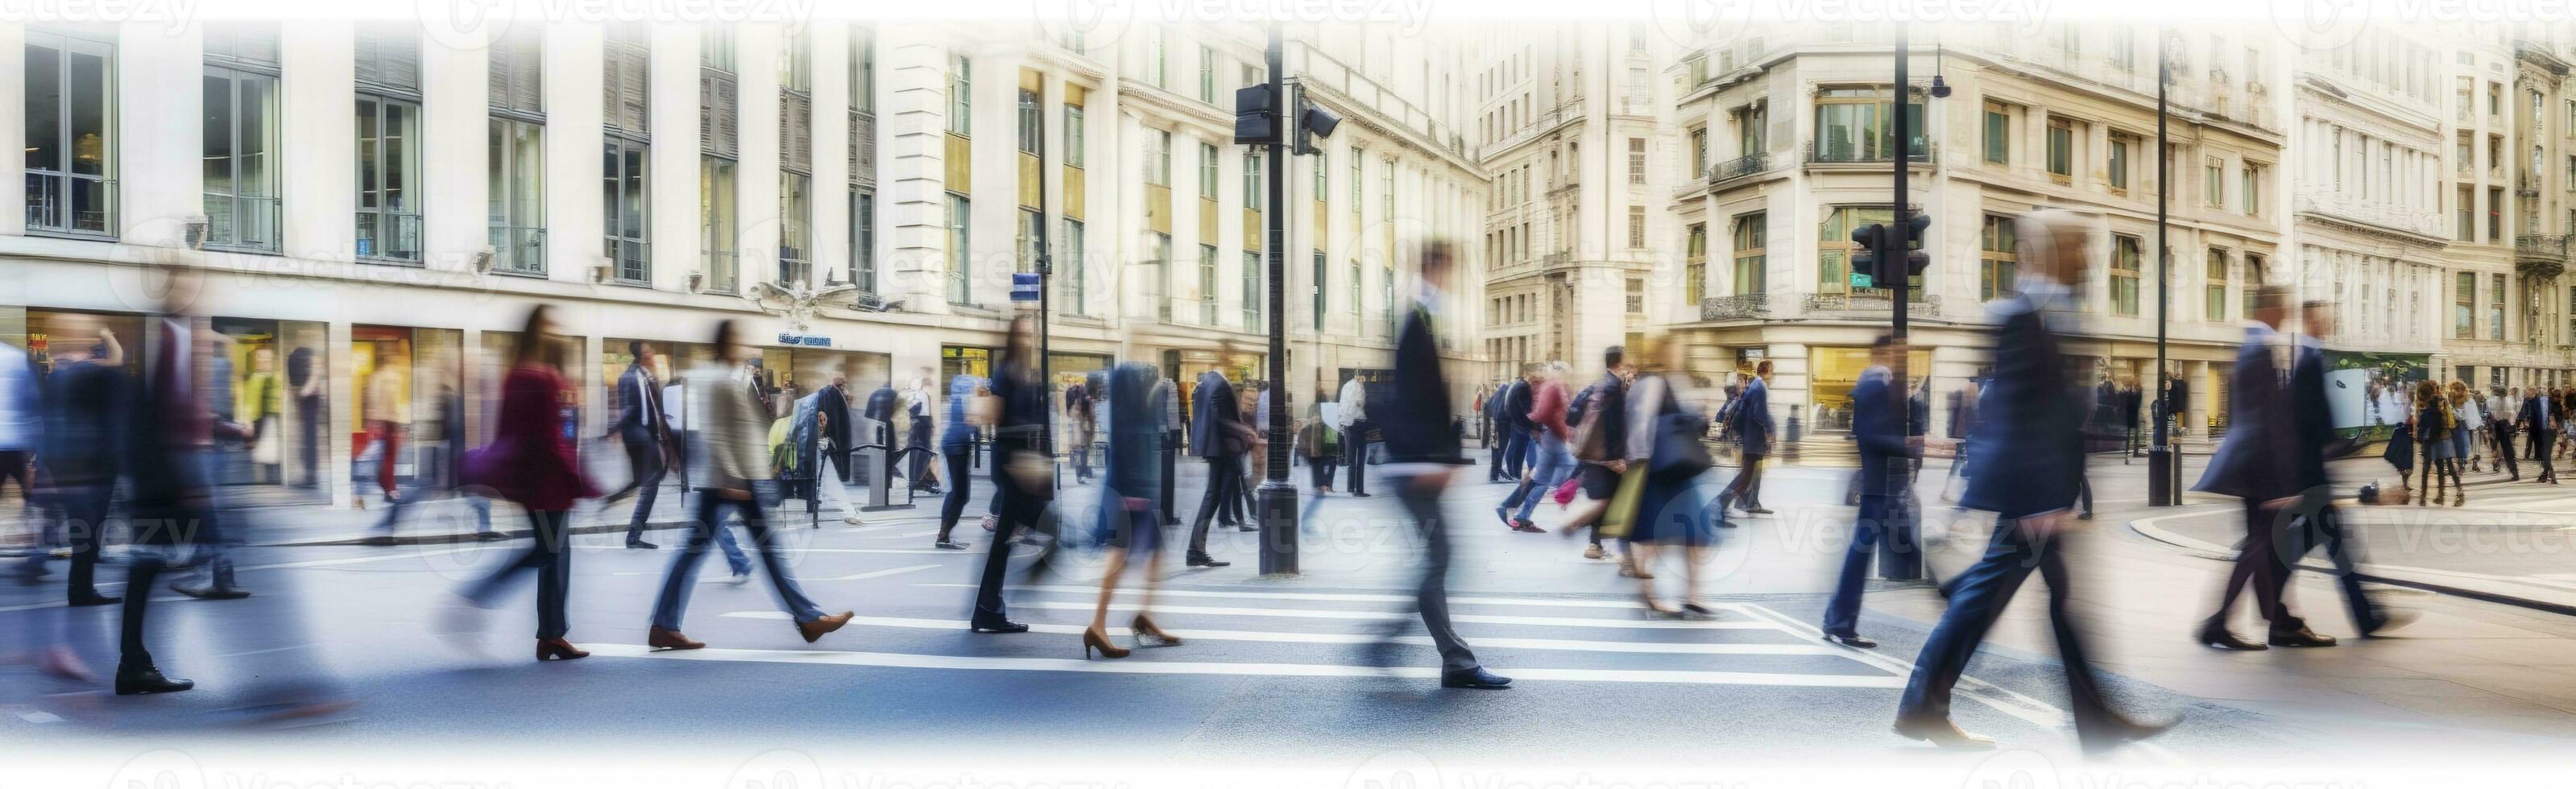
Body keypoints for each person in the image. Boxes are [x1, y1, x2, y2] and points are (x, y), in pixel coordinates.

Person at [1895, 210, 2172, 752]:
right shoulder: (2024, 315)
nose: (2088, 259)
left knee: (2029, 603)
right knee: (1990, 601)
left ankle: (2093, 723)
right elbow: (2020, 414)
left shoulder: (2054, 312)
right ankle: (1927, 706)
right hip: (2032, 499)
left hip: (2040, 495)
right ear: (2050, 254)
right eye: (2078, 248)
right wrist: (2044, 498)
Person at [646, 320, 854, 651]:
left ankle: (664, 625)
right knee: (763, 552)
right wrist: (733, 480)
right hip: (732, 481)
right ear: (727, 343)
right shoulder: (715, 380)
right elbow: (716, 435)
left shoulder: (726, 378)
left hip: (737, 479)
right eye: (739, 341)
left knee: (700, 553)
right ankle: (808, 618)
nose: (744, 347)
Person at [1364, 240, 1509, 690]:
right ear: (1433, 268)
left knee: (1438, 559)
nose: (1452, 279)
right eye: (1448, 269)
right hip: (1412, 465)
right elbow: (1412, 399)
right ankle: (1401, 646)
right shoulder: (1417, 323)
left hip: (1414, 463)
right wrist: (1430, 460)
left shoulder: (1425, 321)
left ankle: (1451, 659)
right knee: (1439, 558)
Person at [453, 305, 602, 663]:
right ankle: (478, 597)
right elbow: (551, 439)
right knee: (549, 551)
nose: (558, 333)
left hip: (540, 480)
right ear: (537, 332)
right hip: (546, 481)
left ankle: (551, 634)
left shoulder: (528, 375)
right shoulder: (536, 377)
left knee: (555, 553)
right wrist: (578, 480)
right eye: (551, 326)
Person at [2194, 285, 2336, 651]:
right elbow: (2267, 423)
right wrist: (2280, 483)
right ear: (2269, 310)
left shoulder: (2253, 347)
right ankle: (2223, 622)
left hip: (2248, 465)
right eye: (2284, 307)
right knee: (2259, 545)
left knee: (2262, 545)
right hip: (2258, 468)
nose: (2289, 314)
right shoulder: (2260, 351)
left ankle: (2275, 619)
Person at [1080, 361, 1185, 659]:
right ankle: (1098, 624)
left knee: (1154, 553)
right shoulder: (1129, 410)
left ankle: (1143, 616)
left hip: (1138, 489)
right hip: (1128, 491)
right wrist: (1132, 492)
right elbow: (1129, 447)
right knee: (1119, 555)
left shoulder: (1133, 408)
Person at [1822, 336, 1920, 650]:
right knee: (1861, 553)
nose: (1903, 357)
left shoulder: (1879, 383)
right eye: (1899, 352)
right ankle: (1839, 623)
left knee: (1867, 552)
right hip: (1879, 486)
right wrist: (1910, 444)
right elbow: (1871, 435)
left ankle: (1837, 621)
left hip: (1883, 486)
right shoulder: (1875, 384)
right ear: (1884, 352)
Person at [969, 314, 1055, 634]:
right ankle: (1006, 597)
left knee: (1002, 544)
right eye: (1024, 334)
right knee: (1053, 530)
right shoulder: (1006, 373)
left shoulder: (1027, 374)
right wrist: (1019, 461)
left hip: (1027, 466)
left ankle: (987, 610)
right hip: (1014, 466)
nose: (1030, 338)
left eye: (1033, 333)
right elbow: (997, 419)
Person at [1623, 341, 1719, 618]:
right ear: (1662, 353)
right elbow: (1639, 424)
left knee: (1696, 533)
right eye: (1674, 351)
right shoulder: (1652, 383)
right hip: (1660, 469)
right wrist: (1638, 461)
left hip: (1680, 469)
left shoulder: (1678, 380)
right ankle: (1650, 594)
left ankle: (1693, 595)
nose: (1679, 355)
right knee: (1655, 536)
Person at [367, 380, 498, 544]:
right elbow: (450, 432)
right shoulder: (453, 399)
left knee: (468, 492)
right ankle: (385, 526)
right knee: (470, 492)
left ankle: (385, 526)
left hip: (449, 456)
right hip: (450, 457)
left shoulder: (452, 399)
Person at [1559, 347, 1632, 562]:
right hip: (1607, 456)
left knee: (1606, 500)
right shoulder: (1613, 386)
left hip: (1592, 454)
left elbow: (1572, 416)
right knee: (1618, 502)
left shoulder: (1597, 384)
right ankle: (1624, 555)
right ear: (1620, 362)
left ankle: (1596, 544)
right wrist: (1615, 458)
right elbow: (1613, 425)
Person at [604, 342, 673, 549]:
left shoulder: (648, 376)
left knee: (641, 482)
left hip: (650, 437)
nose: (652, 353)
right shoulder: (629, 377)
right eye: (648, 351)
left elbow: (654, 408)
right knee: (650, 484)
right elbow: (627, 409)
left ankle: (616, 502)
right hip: (639, 438)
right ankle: (633, 536)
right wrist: (614, 429)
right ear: (641, 356)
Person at [1185, 369, 1250, 567]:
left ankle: (1196, 551)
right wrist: (1246, 432)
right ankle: (1195, 551)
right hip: (1223, 449)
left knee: (1213, 496)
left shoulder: (1207, 383)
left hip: (1215, 447)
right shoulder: (1221, 385)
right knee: (1212, 497)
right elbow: (1221, 420)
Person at [1499, 361, 1575, 533]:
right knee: (1574, 468)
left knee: (1542, 479)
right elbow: (1543, 413)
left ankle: (1521, 514)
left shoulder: (1554, 387)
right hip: (1553, 436)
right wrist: (1537, 427)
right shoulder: (1553, 387)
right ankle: (1571, 503)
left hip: (1551, 435)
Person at [1720, 360, 1775, 516]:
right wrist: (1769, 430)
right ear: (1766, 371)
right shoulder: (1760, 387)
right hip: (1754, 438)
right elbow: (1759, 413)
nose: (1772, 375)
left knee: (1748, 474)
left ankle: (1745, 503)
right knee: (1746, 475)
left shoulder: (1754, 386)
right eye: (1771, 371)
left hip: (1751, 438)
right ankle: (1722, 502)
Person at [934, 374, 983, 550]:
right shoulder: (968, 400)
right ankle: (943, 535)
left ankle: (944, 534)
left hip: (955, 445)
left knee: (959, 494)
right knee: (959, 494)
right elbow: (974, 420)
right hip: (957, 446)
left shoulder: (958, 399)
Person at [361, 344, 408, 505]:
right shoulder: (393, 377)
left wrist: (371, 421)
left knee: (386, 458)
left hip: (384, 420)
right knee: (389, 458)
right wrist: (401, 422)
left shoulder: (375, 377)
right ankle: (390, 489)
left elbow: (371, 402)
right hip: (391, 421)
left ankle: (387, 485)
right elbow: (395, 402)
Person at [2414, 379, 2458, 507]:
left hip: (2435, 437)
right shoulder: (2438, 400)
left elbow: (2423, 419)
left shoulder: (2433, 401)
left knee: (2428, 467)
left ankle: (2425, 496)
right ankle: (2440, 495)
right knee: (2439, 466)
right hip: (2439, 436)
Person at [904, 375, 941, 494]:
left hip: (918, 427)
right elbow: (920, 411)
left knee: (920, 454)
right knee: (923, 455)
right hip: (922, 427)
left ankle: (920, 481)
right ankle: (919, 481)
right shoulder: (921, 395)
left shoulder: (914, 395)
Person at [1336, 373, 1370, 497]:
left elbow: (1342, 407)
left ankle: (1350, 488)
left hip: (1347, 425)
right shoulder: (1359, 386)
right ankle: (1359, 489)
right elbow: (1360, 403)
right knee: (1360, 458)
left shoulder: (1345, 386)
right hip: (1358, 423)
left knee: (1351, 459)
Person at [2521, 385, 2557, 484]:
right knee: (2544, 454)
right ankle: (2545, 474)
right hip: (2543, 431)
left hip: (2546, 431)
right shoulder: (2533, 402)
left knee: (2545, 454)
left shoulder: (2547, 402)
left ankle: (2551, 473)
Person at [1066, 378, 1096, 483]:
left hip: (1082, 430)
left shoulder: (1080, 402)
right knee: (1081, 453)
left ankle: (1083, 474)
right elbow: (1088, 417)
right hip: (1081, 431)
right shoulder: (1081, 402)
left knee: (1082, 453)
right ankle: (1081, 475)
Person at [2488, 386, 2521, 481]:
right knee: (2505, 448)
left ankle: (2513, 471)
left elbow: (2500, 414)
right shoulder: (2506, 400)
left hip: (2502, 425)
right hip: (2502, 425)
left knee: (2506, 449)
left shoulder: (2503, 400)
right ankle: (2512, 470)